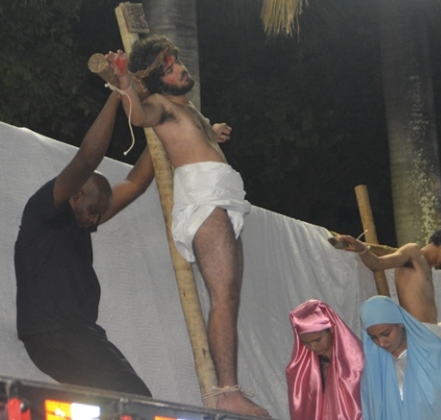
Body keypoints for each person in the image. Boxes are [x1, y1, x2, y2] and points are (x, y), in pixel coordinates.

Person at [105, 36, 268, 417]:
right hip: (204, 203)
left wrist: (214, 130)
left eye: (177, 62)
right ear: (159, 81)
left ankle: (228, 390)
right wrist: (125, 81)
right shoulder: (160, 105)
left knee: (229, 297)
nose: (180, 69)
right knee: (223, 296)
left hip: (221, 201)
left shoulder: (189, 110)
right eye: (170, 68)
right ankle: (227, 393)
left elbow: (195, 136)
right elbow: (138, 116)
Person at [14, 91, 154, 396]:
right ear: (76, 195)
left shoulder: (82, 221)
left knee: (113, 402)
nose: (95, 222)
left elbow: (135, 184)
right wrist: (117, 96)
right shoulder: (44, 211)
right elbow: (88, 158)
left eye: (99, 216)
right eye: (93, 212)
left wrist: (161, 128)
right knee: (135, 399)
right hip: (54, 334)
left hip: (77, 334)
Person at [335, 224, 441, 339]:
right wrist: (362, 249)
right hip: (417, 334)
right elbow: (378, 263)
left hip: (430, 334)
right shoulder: (413, 252)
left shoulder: (427, 267)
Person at [360, 295, 441, 419]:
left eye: (386, 334)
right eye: (373, 337)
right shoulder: (374, 368)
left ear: (400, 323)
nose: (381, 342)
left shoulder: (434, 353)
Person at [287, 300, 364, 420]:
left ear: (332, 329)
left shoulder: (357, 361)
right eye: (305, 342)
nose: (312, 347)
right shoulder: (301, 368)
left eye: (317, 340)